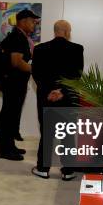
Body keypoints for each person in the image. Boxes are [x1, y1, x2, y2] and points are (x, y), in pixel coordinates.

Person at [31, 20, 84, 181]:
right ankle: (68, 171)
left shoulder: (39, 49)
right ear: (67, 32)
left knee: (47, 133)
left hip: (46, 98)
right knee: (68, 134)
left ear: (55, 31)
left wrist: (50, 90)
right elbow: (77, 74)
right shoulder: (77, 49)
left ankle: (43, 169)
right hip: (68, 98)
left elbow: (36, 74)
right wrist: (61, 90)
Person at [0, 9, 40, 160]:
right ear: (23, 21)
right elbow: (16, 62)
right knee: (10, 113)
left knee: (11, 113)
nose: (34, 24)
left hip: (14, 82)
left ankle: (9, 145)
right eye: (32, 21)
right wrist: (35, 69)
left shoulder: (18, 36)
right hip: (13, 83)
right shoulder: (17, 37)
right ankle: (5, 150)